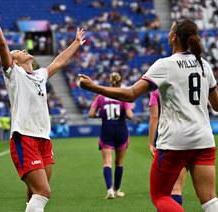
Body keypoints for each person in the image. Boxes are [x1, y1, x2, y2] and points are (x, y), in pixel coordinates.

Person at [79, 18, 218, 212]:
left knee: (160, 196)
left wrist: (95, 87)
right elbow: (217, 105)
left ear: (175, 37)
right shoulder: (203, 64)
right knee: (210, 199)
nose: (168, 34)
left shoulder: (165, 65)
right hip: (203, 139)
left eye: (170, 31)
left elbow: (131, 94)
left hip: (175, 142)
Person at [0, 0, 85, 211]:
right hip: (24, 137)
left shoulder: (39, 75)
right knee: (44, 192)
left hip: (44, 139)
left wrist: (75, 43)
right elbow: (2, 44)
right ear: (15, 61)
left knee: (34, 194)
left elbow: (58, 62)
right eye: (18, 51)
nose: (22, 50)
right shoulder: (13, 74)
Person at [88, 72, 133, 199]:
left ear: (110, 82)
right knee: (119, 162)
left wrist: (102, 116)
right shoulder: (123, 94)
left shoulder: (101, 96)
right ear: (119, 83)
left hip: (106, 128)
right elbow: (130, 115)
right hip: (121, 129)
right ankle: (118, 190)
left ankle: (109, 190)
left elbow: (91, 114)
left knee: (107, 162)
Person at [148, 90, 188, 206]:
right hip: (193, 136)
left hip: (168, 138)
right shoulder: (185, 82)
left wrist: (150, 142)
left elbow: (154, 117)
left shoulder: (156, 90)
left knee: (162, 194)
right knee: (207, 197)